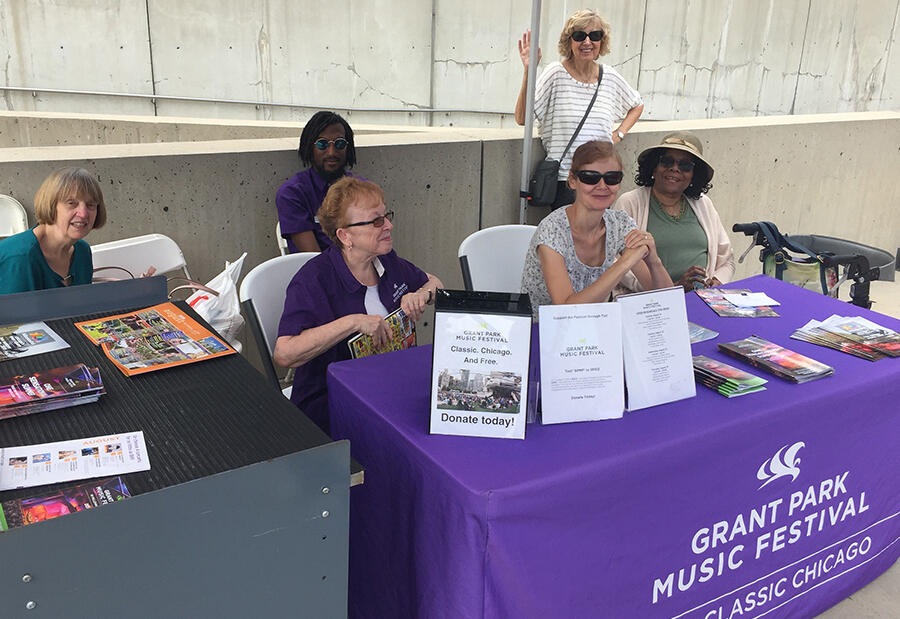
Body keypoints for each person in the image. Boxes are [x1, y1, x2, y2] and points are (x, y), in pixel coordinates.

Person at [274, 177, 442, 432]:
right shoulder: (314, 279)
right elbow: (285, 354)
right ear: (345, 235)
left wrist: (421, 294)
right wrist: (352, 322)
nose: (388, 225)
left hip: (389, 391)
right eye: (376, 221)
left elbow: (435, 284)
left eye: (386, 216)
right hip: (334, 406)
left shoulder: (387, 261)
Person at [521, 141, 672, 319]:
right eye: (590, 177)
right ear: (572, 180)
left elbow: (667, 301)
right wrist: (624, 264)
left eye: (612, 178)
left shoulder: (619, 223)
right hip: (541, 332)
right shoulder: (552, 230)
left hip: (594, 327)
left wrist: (654, 261)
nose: (602, 186)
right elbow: (566, 312)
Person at [515, 9, 644, 209]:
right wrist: (528, 71)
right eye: (579, 36)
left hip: (601, 182)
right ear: (569, 41)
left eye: (594, 35)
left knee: (597, 239)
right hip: (567, 183)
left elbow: (637, 104)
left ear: (602, 41)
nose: (587, 42)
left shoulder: (609, 77)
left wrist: (619, 133)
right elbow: (522, 118)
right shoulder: (555, 74)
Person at [614, 132, 734, 292]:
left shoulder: (703, 204)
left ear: (694, 175)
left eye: (685, 165)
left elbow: (727, 259)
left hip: (701, 300)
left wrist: (717, 281)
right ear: (654, 167)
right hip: (649, 303)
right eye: (667, 161)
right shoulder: (630, 202)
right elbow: (616, 260)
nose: (674, 169)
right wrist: (671, 289)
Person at [0, 167, 106, 294]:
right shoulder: (20, 258)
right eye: (71, 203)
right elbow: (16, 313)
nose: (83, 214)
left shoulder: (82, 251)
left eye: (91, 205)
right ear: (50, 205)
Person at [276, 110, 362, 253]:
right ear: (310, 147)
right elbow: (313, 258)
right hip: (320, 272)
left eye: (340, 143)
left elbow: (375, 244)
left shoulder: (362, 189)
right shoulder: (292, 193)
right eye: (322, 144)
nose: (331, 152)